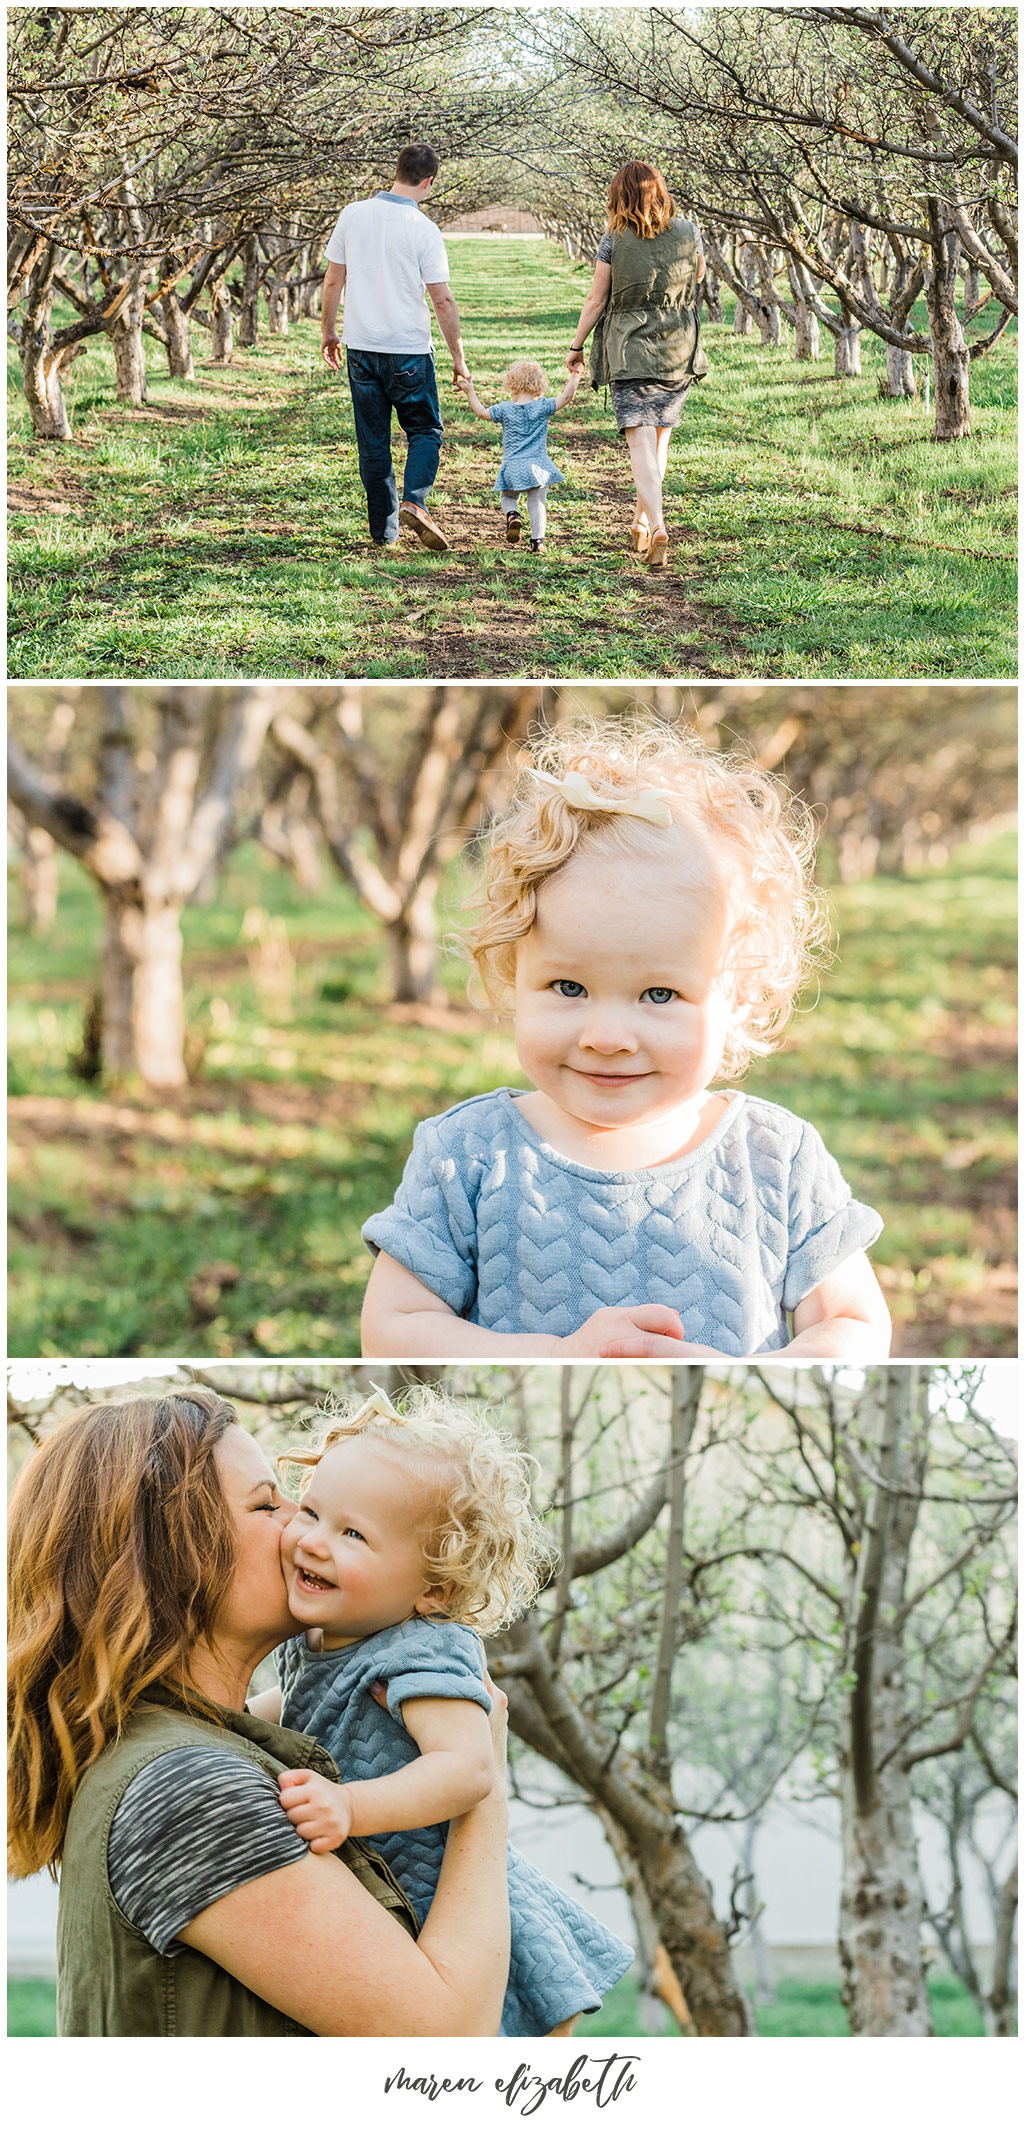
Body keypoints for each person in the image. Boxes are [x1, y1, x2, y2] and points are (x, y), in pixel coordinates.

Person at [361, 718, 893, 1362]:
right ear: (511, 971)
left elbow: (854, 1326)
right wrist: (556, 1357)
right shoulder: (468, 1156)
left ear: (740, 996)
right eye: (567, 986)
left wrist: (751, 1376)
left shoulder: (775, 1160)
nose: (607, 1037)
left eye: (659, 995)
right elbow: (392, 1326)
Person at [7, 1387, 511, 2036]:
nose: (299, 1520)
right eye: (267, 1502)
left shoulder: (201, 1750)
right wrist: (486, 1783)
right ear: (172, 1555)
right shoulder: (189, 1791)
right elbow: (447, 2041)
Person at [251, 1382, 633, 2038]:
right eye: (311, 1513)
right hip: (392, 1901)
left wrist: (350, 1808)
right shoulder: (317, 1634)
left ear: (434, 1588)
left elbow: (467, 1770)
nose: (313, 1542)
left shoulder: (425, 1648)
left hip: (452, 1899)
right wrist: (227, 1715)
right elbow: (299, 1705)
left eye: (352, 1534)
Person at [320, 143, 469, 551]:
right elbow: (442, 300)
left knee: (373, 440)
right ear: (428, 181)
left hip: (361, 347)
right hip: (408, 350)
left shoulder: (353, 214)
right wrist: (459, 358)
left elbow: (333, 280)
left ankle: (383, 534)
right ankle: (415, 502)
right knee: (424, 430)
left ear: (396, 171)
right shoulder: (422, 228)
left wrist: (329, 332)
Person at [565, 162, 706, 569]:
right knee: (660, 440)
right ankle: (640, 522)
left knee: (640, 440)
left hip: (630, 346)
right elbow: (696, 277)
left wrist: (576, 346)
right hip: (678, 346)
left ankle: (658, 524)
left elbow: (596, 300)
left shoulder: (613, 239)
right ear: (660, 192)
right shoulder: (689, 231)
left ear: (619, 196)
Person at [457, 358, 581, 552]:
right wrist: (576, 375)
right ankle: (538, 542)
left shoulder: (504, 409)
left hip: (513, 466)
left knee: (507, 496)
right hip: (538, 466)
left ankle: (513, 515)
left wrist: (470, 392)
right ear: (539, 385)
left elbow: (481, 413)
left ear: (511, 384)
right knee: (537, 502)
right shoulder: (543, 406)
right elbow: (566, 397)